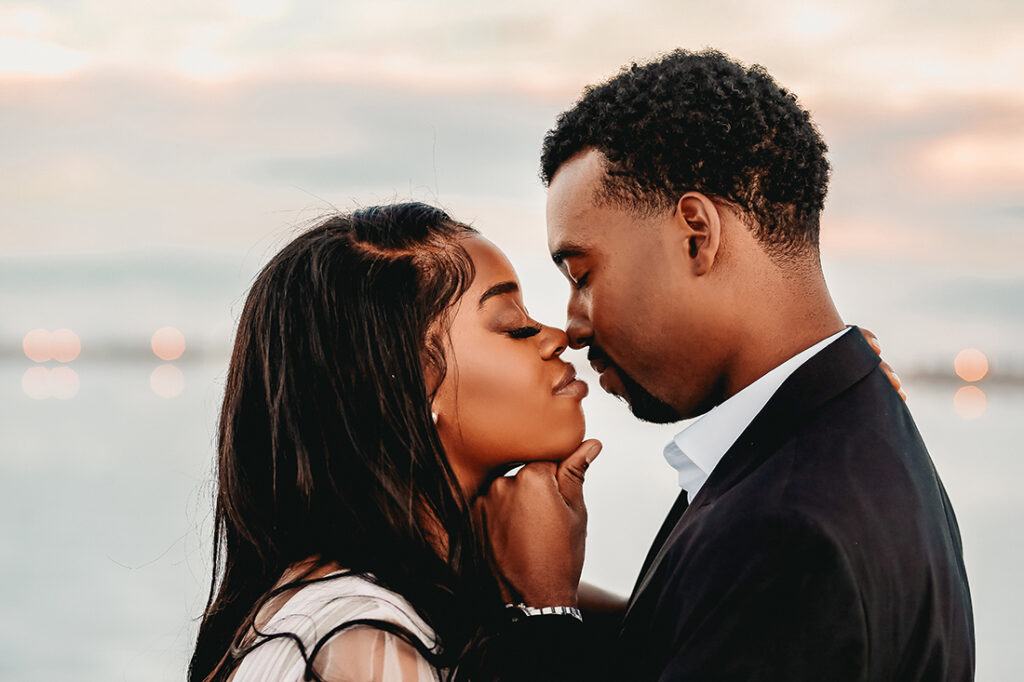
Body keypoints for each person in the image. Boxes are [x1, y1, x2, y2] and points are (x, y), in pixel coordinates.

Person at [477, 49, 975, 680]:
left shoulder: (789, 532)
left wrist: (542, 614)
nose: (572, 328)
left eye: (582, 275)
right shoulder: (840, 438)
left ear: (696, 234)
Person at [188, 203, 602, 682]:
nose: (557, 337)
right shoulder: (365, 645)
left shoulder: (342, 608)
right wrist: (549, 609)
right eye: (514, 325)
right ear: (412, 382)